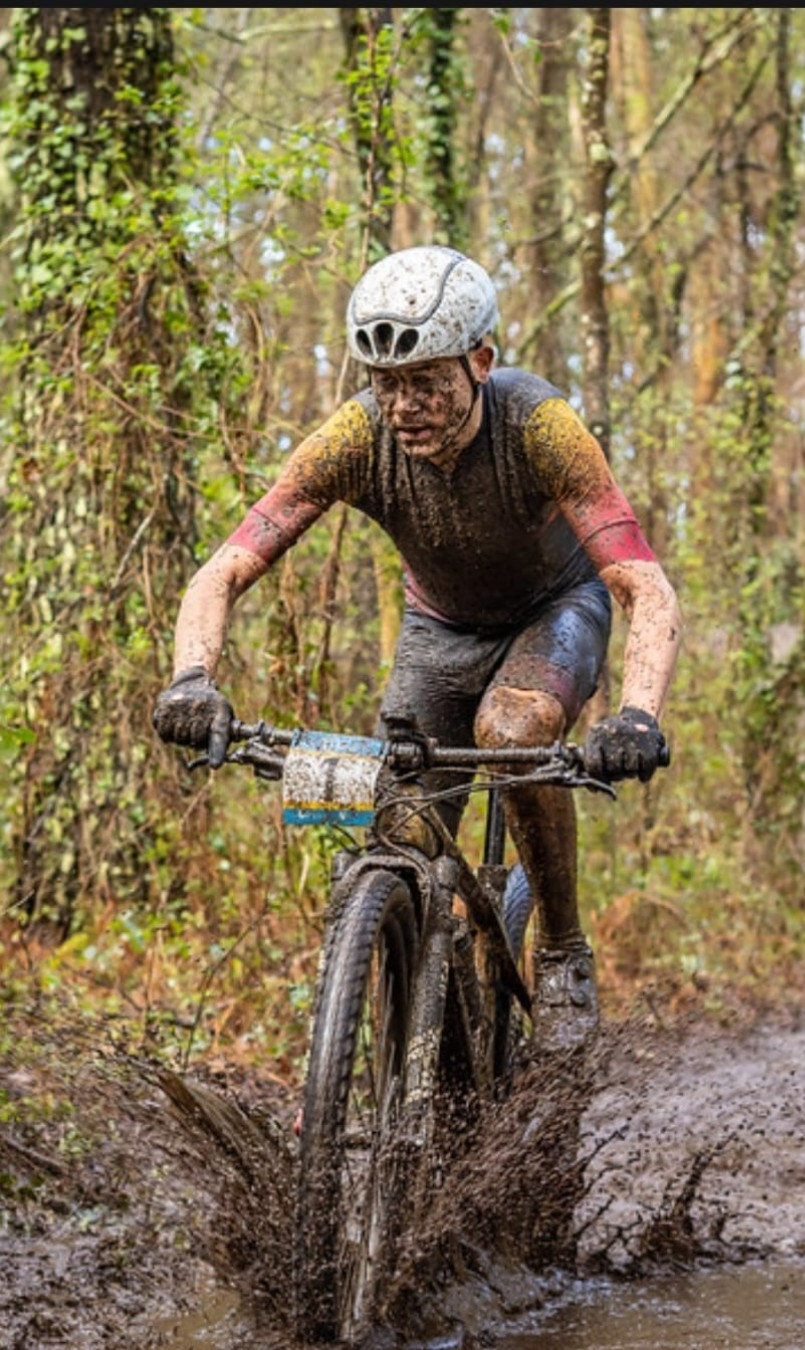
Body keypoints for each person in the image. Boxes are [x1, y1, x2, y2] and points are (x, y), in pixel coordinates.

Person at [153, 245, 682, 1053]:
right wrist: (193, 680)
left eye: (426, 380)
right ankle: (375, 1052)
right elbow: (224, 568)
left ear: (480, 361)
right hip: (438, 630)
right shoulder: (353, 439)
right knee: (397, 828)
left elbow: (645, 585)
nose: (404, 405)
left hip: (554, 612)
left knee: (511, 733)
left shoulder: (542, 426)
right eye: (385, 383)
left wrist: (638, 715)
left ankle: (564, 950)